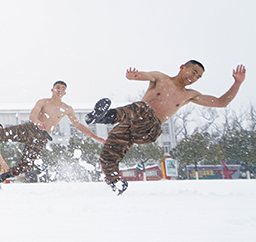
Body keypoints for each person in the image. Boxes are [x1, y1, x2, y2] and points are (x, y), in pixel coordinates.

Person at [86, 62, 246, 194]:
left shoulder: (189, 95)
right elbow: (143, 75)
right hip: (133, 123)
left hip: (151, 130)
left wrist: (237, 83)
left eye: (198, 76)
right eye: (193, 72)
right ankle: (115, 183)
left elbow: (221, 102)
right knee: (110, 150)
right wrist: (133, 76)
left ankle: (105, 116)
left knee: (143, 108)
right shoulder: (160, 78)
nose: (194, 78)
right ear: (183, 67)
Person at [0, 81, 106, 188]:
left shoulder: (67, 109)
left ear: (65, 92)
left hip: (42, 137)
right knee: (4, 134)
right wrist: (37, 122)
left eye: (63, 89)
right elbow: (33, 115)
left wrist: (95, 137)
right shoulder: (44, 102)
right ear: (52, 89)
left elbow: (78, 125)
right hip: (31, 128)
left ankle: (2, 177)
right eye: (58, 88)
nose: (60, 90)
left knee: (27, 164)